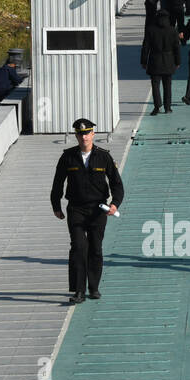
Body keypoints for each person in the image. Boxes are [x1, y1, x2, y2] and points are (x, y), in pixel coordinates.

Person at [50, 118, 124, 304]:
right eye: (80, 134)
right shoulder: (68, 157)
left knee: (95, 248)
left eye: (87, 133)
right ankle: (79, 291)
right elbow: (58, 183)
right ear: (76, 136)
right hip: (76, 208)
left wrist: (115, 204)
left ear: (93, 134)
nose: (84, 137)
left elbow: (116, 184)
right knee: (78, 247)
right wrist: (56, 206)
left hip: (98, 209)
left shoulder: (103, 157)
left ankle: (94, 287)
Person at [141, 9, 181, 116]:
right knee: (167, 85)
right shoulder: (172, 30)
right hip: (168, 60)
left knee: (155, 85)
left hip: (155, 60)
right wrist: (178, 61)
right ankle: (168, 107)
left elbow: (146, 47)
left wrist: (144, 61)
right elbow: (176, 47)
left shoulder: (150, 30)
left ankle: (157, 106)